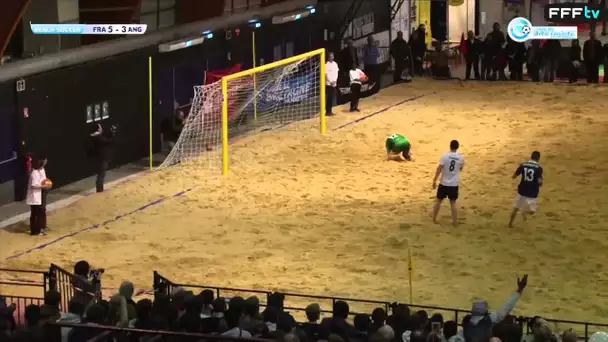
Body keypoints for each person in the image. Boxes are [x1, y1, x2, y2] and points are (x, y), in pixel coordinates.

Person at [431, 140, 464, 227]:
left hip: (444, 183)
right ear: (457, 147)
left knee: (438, 201)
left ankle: (434, 219)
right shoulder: (461, 157)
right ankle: (455, 222)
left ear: (450, 146)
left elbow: (439, 168)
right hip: (454, 184)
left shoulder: (445, 156)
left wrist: (434, 180)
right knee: (453, 203)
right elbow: (460, 169)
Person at [508, 151, 543, 228]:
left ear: (531, 156)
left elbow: (514, 176)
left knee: (516, 208)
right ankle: (524, 212)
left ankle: (510, 224)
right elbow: (539, 181)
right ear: (538, 158)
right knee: (532, 211)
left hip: (522, 190)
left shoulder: (523, 165)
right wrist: (540, 184)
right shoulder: (539, 168)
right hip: (532, 192)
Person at [26, 155, 48, 236]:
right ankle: (35, 231)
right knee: (35, 213)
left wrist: (46, 185)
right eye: (45, 160)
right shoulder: (34, 173)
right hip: (35, 195)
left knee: (41, 211)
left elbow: (44, 180)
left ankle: (41, 228)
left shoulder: (42, 170)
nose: (46, 161)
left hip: (41, 193)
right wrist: (43, 186)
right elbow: (33, 185)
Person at [89, 123, 116, 193]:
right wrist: (113, 133)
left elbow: (106, 138)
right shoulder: (98, 138)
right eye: (100, 127)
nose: (101, 128)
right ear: (98, 129)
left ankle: (100, 189)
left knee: (101, 174)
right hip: (102, 158)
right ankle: (99, 190)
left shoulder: (97, 137)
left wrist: (112, 132)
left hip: (100, 157)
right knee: (101, 174)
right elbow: (109, 141)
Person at [325, 52, 339, 116]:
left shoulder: (335, 64)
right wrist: (330, 81)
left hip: (334, 83)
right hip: (329, 84)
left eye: (332, 56)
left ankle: (330, 111)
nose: (332, 57)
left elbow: (336, 73)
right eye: (330, 56)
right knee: (328, 98)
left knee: (332, 98)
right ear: (328, 57)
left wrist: (335, 80)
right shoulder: (326, 65)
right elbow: (326, 75)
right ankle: (328, 111)